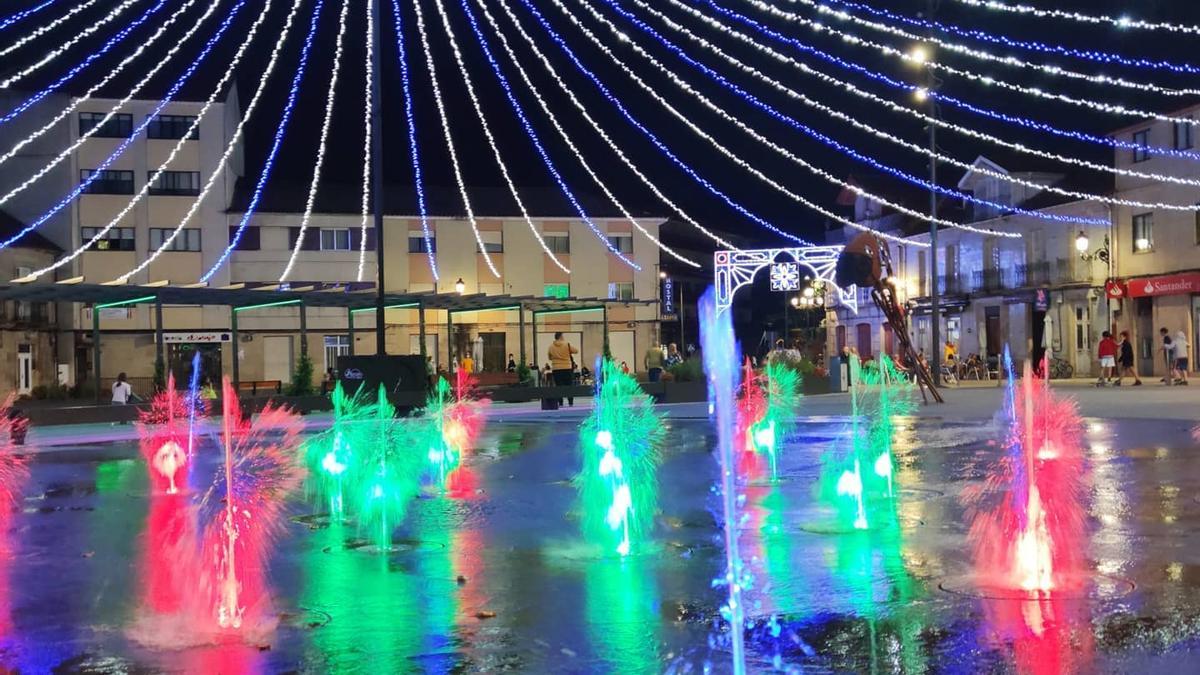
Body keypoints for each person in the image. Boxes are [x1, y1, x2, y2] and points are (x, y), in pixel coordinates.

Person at [548, 332, 579, 406]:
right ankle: (570, 401)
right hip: (567, 367)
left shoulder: (551, 347)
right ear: (561, 337)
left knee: (559, 386)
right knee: (569, 385)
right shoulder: (567, 344)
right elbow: (576, 351)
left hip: (556, 368)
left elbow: (549, 357)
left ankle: (560, 402)